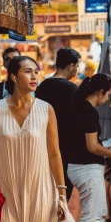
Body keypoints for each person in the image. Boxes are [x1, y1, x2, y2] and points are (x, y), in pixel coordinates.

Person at [0, 56, 67, 222]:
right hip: (5, 192)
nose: (34, 77)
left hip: (40, 190)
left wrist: (62, 194)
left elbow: (55, 154)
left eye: (36, 72)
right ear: (13, 76)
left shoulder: (46, 110)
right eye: (27, 72)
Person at [67, 74, 111, 222]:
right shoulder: (89, 111)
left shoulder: (78, 106)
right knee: (92, 217)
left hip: (77, 166)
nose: (107, 98)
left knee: (97, 213)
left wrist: (107, 150)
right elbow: (92, 146)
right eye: (107, 94)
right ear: (100, 92)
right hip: (86, 168)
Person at [35, 47, 81, 201]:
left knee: (45, 189)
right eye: (77, 66)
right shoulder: (72, 89)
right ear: (71, 66)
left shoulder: (42, 87)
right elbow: (76, 121)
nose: (76, 70)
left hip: (43, 144)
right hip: (65, 148)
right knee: (62, 191)